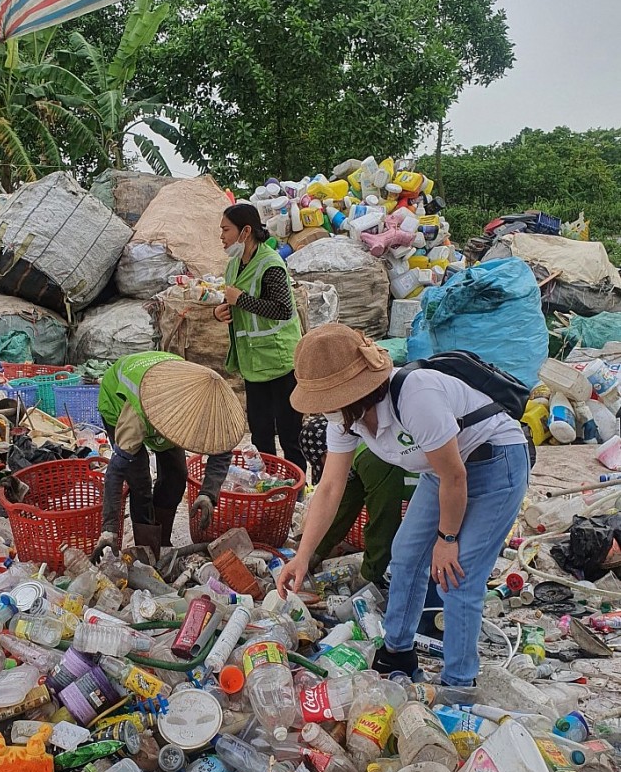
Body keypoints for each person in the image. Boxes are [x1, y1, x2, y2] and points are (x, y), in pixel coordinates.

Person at [277, 324, 529, 687]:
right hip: (439, 471)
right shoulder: (345, 420)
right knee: (406, 554)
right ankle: (397, 651)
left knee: (457, 576)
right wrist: (302, 555)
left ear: (349, 391)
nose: (323, 409)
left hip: (494, 463)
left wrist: (447, 539)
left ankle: (459, 682)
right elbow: (330, 488)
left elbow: (456, 478)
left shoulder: (416, 396)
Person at [96, 352, 246, 555]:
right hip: (119, 403)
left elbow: (222, 448)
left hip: (165, 392)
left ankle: (162, 541)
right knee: (139, 482)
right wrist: (109, 530)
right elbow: (115, 473)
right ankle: (147, 548)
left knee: (176, 475)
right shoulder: (137, 417)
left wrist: (208, 494)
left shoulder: (209, 402)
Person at [214, 203, 306, 472]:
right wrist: (219, 312)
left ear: (245, 232)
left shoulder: (271, 264)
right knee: (260, 432)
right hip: (253, 363)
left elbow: (282, 309)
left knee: (290, 433)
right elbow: (231, 303)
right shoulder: (233, 266)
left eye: (225, 230)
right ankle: (267, 483)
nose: (221, 237)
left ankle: (296, 487)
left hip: (279, 361)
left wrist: (241, 299)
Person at [299, 415, 416, 586]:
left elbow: (383, 520)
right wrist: (312, 554)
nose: (326, 470)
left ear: (328, 451)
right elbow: (343, 509)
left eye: (322, 464)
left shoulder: (370, 459)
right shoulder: (356, 456)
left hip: (443, 491)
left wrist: (369, 575)